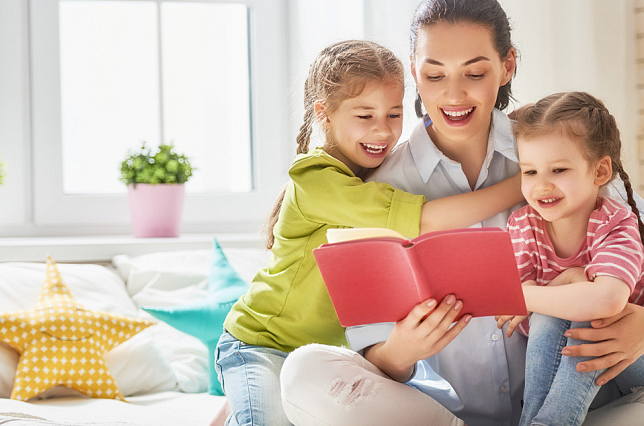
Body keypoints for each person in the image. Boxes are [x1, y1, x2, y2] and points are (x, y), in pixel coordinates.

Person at [280, 0, 644, 425]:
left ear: (506, 66)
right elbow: (373, 347)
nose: (453, 95)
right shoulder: (384, 189)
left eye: (474, 72)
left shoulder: (552, 152)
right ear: (414, 71)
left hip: (584, 411)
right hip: (454, 416)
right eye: (434, 75)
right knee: (304, 372)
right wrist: (403, 350)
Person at [215, 39, 524, 426]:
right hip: (264, 344)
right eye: (365, 116)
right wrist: (520, 184)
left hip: (332, 359)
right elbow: (424, 219)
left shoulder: (375, 173)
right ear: (323, 114)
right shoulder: (316, 178)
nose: (383, 131)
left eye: (394, 115)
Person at [497, 91, 644, 426]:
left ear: (601, 171)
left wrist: (527, 295)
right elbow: (522, 320)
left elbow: (607, 300)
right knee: (558, 311)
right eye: (529, 172)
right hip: (587, 378)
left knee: (590, 311)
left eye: (558, 169)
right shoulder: (522, 226)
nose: (541, 185)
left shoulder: (615, 223)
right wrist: (564, 284)